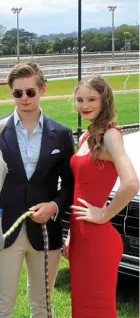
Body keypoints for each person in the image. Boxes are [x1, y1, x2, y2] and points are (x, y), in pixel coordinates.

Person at [0, 63, 75, 318]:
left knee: (43, 305)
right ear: (11, 93)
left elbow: (70, 185)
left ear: (42, 90)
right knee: (1, 307)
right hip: (6, 231)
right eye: (18, 93)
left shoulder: (60, 134)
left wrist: (54, 206)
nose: (24, 98)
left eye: (30, 92)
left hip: (47, 232)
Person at [63, 75, 138, 318]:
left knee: (98, 310)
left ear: (105, 100)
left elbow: (131, 183)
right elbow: (79, 192)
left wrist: (104, 213)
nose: (84, 105)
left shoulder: (110, 134)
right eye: (80, 99)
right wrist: (71, 236)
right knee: (82, 309)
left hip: (98, 240)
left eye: (91, 99)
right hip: (80, 239)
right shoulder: (88, 135)